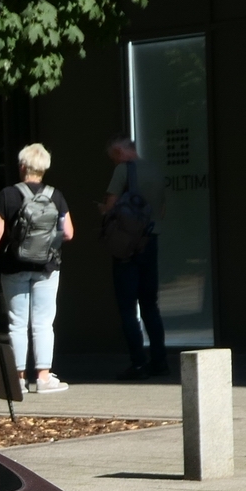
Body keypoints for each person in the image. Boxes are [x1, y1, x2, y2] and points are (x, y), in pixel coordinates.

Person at [0, 143, 74, 393]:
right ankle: (44, 378)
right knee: (44, 323)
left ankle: (19, 380)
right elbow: (68, 232)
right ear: (44, 168)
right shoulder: (56, 195)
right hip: (47, 267)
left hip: (13, 266)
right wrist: (48, 244)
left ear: (22, 167)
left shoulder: (7, 195)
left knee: (17, 323)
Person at [100, 138, 166, 379]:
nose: (114, 162)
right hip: (151, 240)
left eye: (113, 157)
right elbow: (161, 208)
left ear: (120, 152)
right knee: (150, 305)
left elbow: (110, 206)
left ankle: (138, 363)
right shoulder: (155, 169)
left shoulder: (123, 170)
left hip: (127, 246)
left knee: (128, 308)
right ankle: (160, 361)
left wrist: (104, 212)